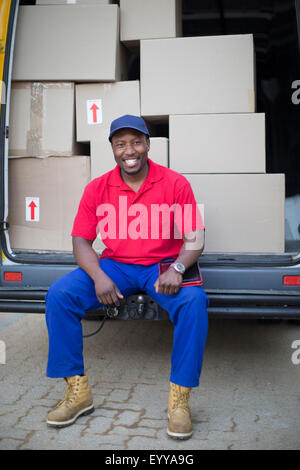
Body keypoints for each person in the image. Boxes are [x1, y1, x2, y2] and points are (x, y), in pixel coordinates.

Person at [45, 115, 209, 440]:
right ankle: (78, 392)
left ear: (148, 144)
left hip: (160, 266)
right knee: (59, 295)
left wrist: (177, 268)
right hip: (115, 265)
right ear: (113, 149)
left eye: (136, 142)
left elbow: (196, 237)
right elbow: (80, 241)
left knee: (193, 301)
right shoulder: (97, 188)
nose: (129, 150)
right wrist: (97, 276)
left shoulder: (176, 183)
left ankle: (180, 400)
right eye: (120, 144)